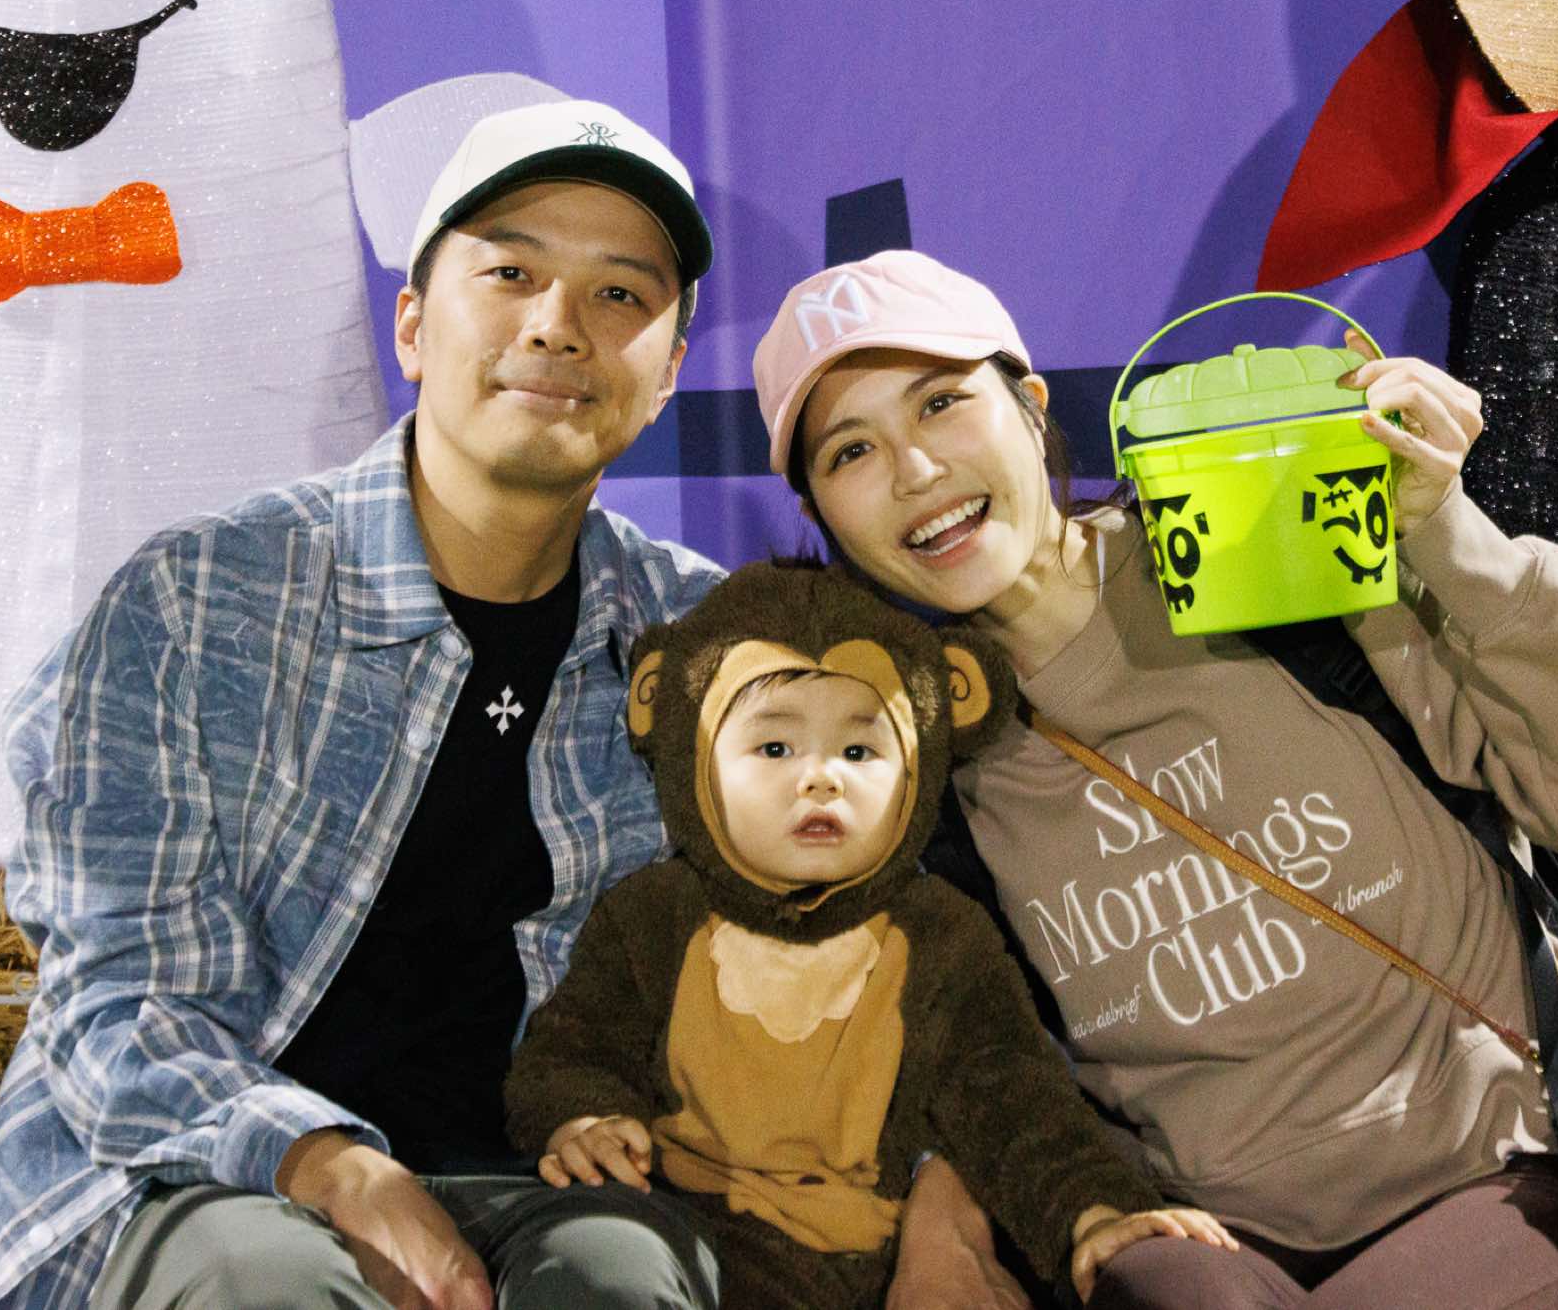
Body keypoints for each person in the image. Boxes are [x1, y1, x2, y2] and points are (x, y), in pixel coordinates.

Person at [748, 249, 1558, 1309]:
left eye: (941, 402)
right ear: (823, 517)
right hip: (1226, 1245)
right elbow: (967, 1057)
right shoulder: (915, 767)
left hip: (1503, 1163)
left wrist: (1442, 530)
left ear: (1030, 407)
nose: (915, 469)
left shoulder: (1261, 546)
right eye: (850, 451)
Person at [0, 97, 736, 1310]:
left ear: (667, 372)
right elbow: (121, 1001)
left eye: (619, 295)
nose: (557, 325)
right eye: (510, 274)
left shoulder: (702, 644)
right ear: (414, 326)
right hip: (204, 1179)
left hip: (542, 1185)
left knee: (620, 1276)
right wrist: (336, 1168)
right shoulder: (195, 600)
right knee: (266, 1284)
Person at [503, 559, 1237, 1308]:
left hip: (857, 1268)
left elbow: (1015, 1102)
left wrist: (1095, 1211)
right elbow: (570, 1047)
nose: (821, 778)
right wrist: (585, 1117)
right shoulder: (651, 916)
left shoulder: (942, 939)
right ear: (689, 750)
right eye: (774, 748)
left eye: (859, 751)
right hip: (677, 1235)